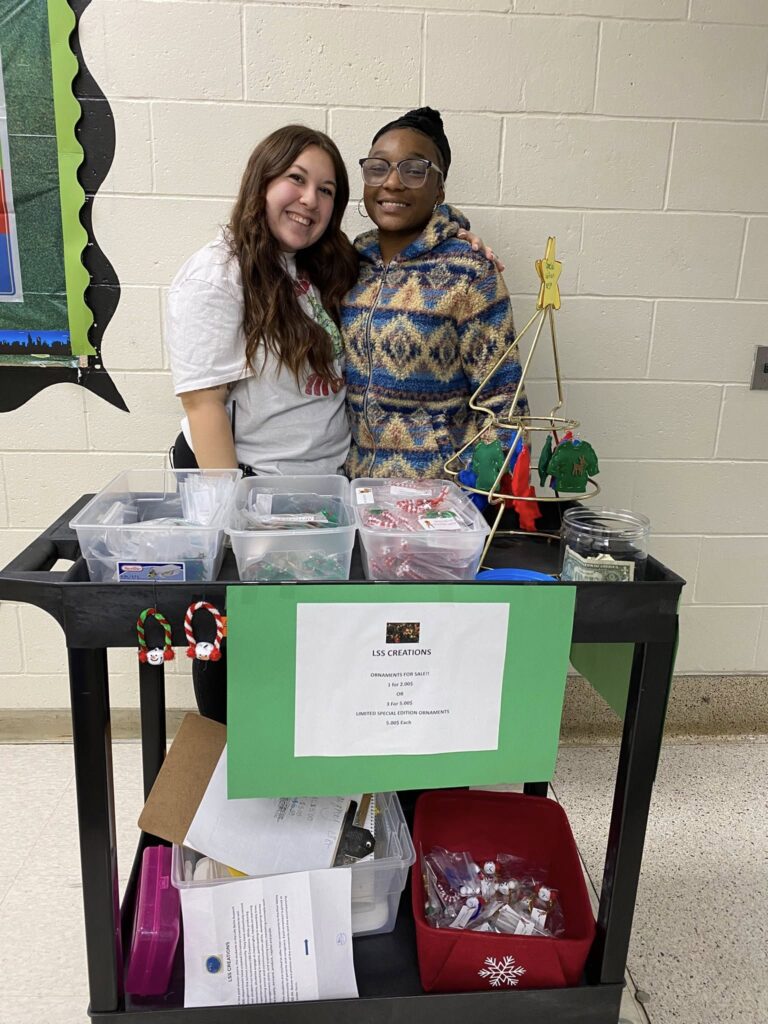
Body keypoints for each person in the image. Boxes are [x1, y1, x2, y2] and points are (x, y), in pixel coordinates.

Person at [342, 107, 526, 480]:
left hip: (440, 498)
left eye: (414, 170)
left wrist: (481, 496)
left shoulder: (470, 272)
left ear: (439, 188)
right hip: (356, 491)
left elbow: (504, 406)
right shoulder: (347, 263)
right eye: (378, 167)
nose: (392, 182)